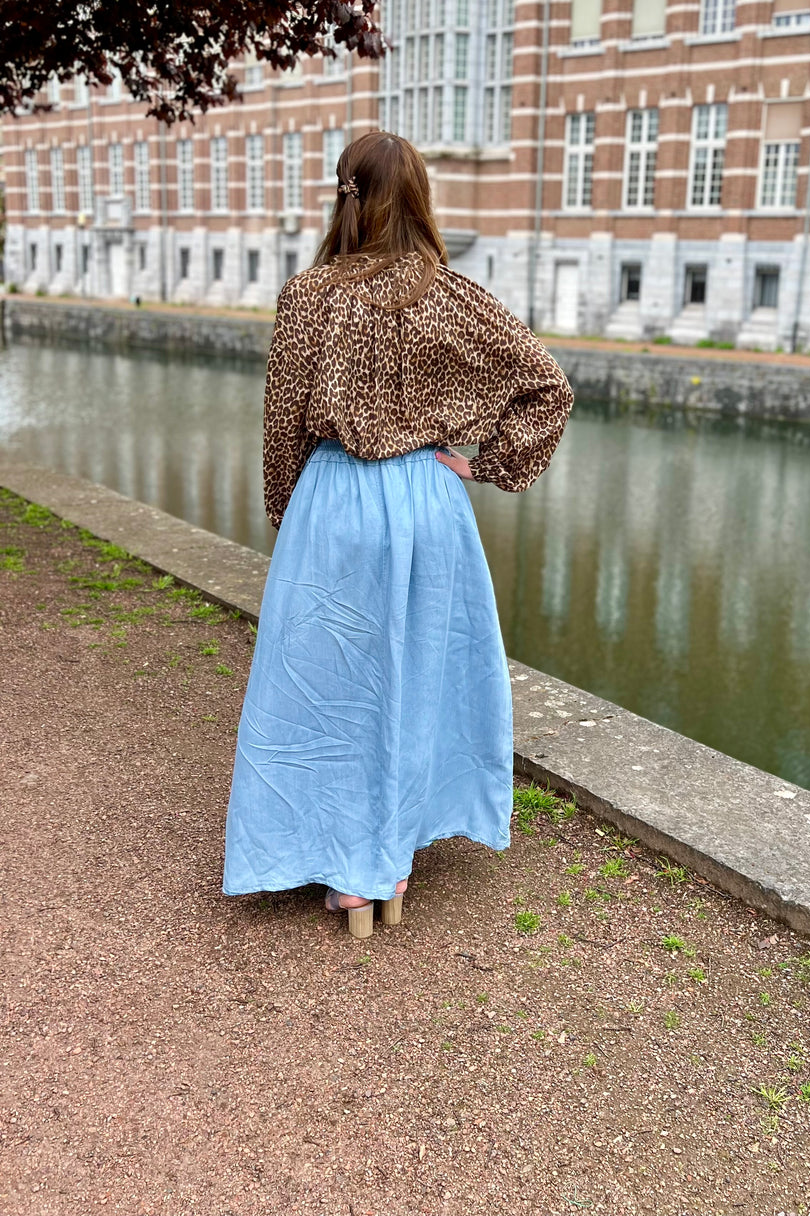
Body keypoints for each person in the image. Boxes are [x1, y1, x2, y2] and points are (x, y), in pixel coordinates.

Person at [222, 131, 574, 938]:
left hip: (337, 500)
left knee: (332, 687)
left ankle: (350, 870)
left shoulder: (308, 297)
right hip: (426, 501)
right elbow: (547, 389)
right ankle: (396, 861)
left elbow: (282, 429)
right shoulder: (455, 295)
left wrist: (288, 512)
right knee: (416, 674)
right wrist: (487, 468)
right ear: (419, 198)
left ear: (344, 196)